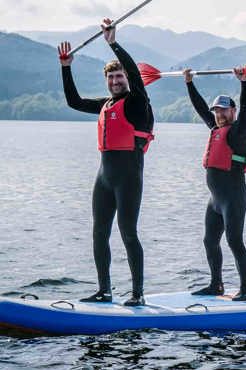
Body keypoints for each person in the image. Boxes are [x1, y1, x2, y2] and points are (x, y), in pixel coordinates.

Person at [58, 18, 154, 306]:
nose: (115, 82)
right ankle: (105, 290)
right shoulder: (105, 105)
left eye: (120, 77)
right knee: (99, 233)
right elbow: (73, 101)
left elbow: (136, 76)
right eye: (111, 78)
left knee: (128, 232)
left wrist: (113, 44)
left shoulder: (138, 102)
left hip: (128, 178)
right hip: (104, 178)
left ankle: (137, 293)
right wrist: (65, 67)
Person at [183, 65, 246, 301]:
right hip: (215, 200)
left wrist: (243, 83)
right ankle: (216, 285)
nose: (219, 115)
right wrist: (189, 83)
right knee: (209, 241)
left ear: (233, 111)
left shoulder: (239, 131)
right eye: (217, 111)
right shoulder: (215, 128)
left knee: (235, 241)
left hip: (234, 197)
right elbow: (201, 108)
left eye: (224, 111)